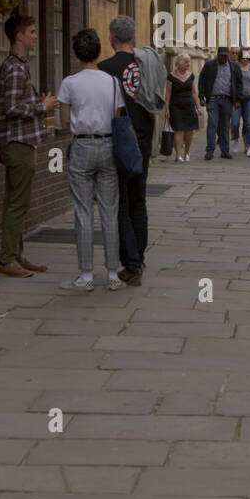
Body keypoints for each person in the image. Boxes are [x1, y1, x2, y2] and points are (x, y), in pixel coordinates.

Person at [57, 28, 126, 292]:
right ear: (99, 52)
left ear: (75, 53)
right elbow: (118, 114)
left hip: (82, 145)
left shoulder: (69, 83)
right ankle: (112, 273)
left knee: (83, 211)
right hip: (108, 144)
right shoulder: (111, 82)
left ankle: (86, 275)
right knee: (110, 210)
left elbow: (64, 120)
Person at [0, 13, 59, 278]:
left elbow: (17, 102)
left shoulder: (20, 65)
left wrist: (36, 103)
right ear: (18, 36)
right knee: (17, 203)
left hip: (21, 141)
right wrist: (41, 107)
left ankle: (16, 255)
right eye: (31, 32)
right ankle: (7, 260)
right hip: (17, 142)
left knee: (17, 202)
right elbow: (11, 108)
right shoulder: (15, 67)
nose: (35, 36)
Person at [98, 15, 156, 287]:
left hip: (117, 140)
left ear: (111, 38)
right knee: (138, 200)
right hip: (142, 140)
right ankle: (139, 258)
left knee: (119, 202)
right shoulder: (147, 65)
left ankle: (130, 261)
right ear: (133, 38)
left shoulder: (104, 69)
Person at [198, 44, 242, 159]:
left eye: (225, 56)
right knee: (212, 124)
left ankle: (225, 150)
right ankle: (210, 150)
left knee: (225, 125)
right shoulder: (209, 65)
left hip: (227, 99)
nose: (223, 58)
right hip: (213, 99)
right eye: (221, 56)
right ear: (217, 55)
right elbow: (202, 80)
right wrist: (201, 97)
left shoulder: (234, 67)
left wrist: (238, 100)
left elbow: (239, 84)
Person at [165, 52, 199, 161]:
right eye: (186, 62)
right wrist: (166, 109)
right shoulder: (171, 76)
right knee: (178, 129)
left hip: (189, 105)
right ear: (179, 63)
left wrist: (198, 107)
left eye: (189, 62)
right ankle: (178, 155)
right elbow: (168, 93)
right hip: (175, 106)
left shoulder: (191, 75)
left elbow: (194, 92)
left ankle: (187, 152)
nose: (188, 64)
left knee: (189, 130)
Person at [233, 48, 250, 157]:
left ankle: (248, 147)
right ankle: (235, 139)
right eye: (243, 57)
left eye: (247, 58)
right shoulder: (235, 68)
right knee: (235, 123)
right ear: (240, 57)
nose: (245, 60)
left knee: (249, 124)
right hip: (238, 99)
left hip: (249, 98)